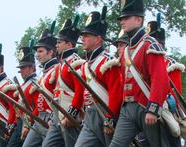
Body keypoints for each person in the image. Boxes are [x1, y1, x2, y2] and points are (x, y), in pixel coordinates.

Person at [109, 0, 170, 146]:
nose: (122, 22)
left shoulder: (149, 45)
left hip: (146, 106)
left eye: (126, 18)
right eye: (122, 19)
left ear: (138, 20)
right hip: (127, 109)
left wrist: (153, 108)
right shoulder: (127, 50)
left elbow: (160, 79)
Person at [75, 6, 123, 147]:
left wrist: (110, 118)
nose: (83, 39)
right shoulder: (85, 64)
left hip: (106, 113)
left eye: (87, 36)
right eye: (83, 36)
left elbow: (116, 92)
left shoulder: (108, 62)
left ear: (98, 40)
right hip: (90, 115)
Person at [42, 15, 84, 147]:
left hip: (69, 113)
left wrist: (71, 114)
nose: (56, 45)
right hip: (58, 114)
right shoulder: (62, 64)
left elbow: (80, 91)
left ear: (69, 44)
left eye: (60, 42)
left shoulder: (75, 62)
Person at [22, 21, 59, 147]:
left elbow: (60, 97)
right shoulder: (44, 74)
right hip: (40, 118)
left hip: (52, 117)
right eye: (37, 52)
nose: (37, 55)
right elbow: (40, 102)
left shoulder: (57, 70)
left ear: (51, 52)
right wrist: (30, 122)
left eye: (41, 51)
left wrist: (53, 118)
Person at [7, 41, 39, 147]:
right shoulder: (24, 84)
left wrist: (28, 123)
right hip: (20, 122)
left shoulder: (36, 83)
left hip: (30, 122)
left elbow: (38, 106)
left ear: (32, 68)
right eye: (20, 68)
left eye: (23, 68)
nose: (21, 71)